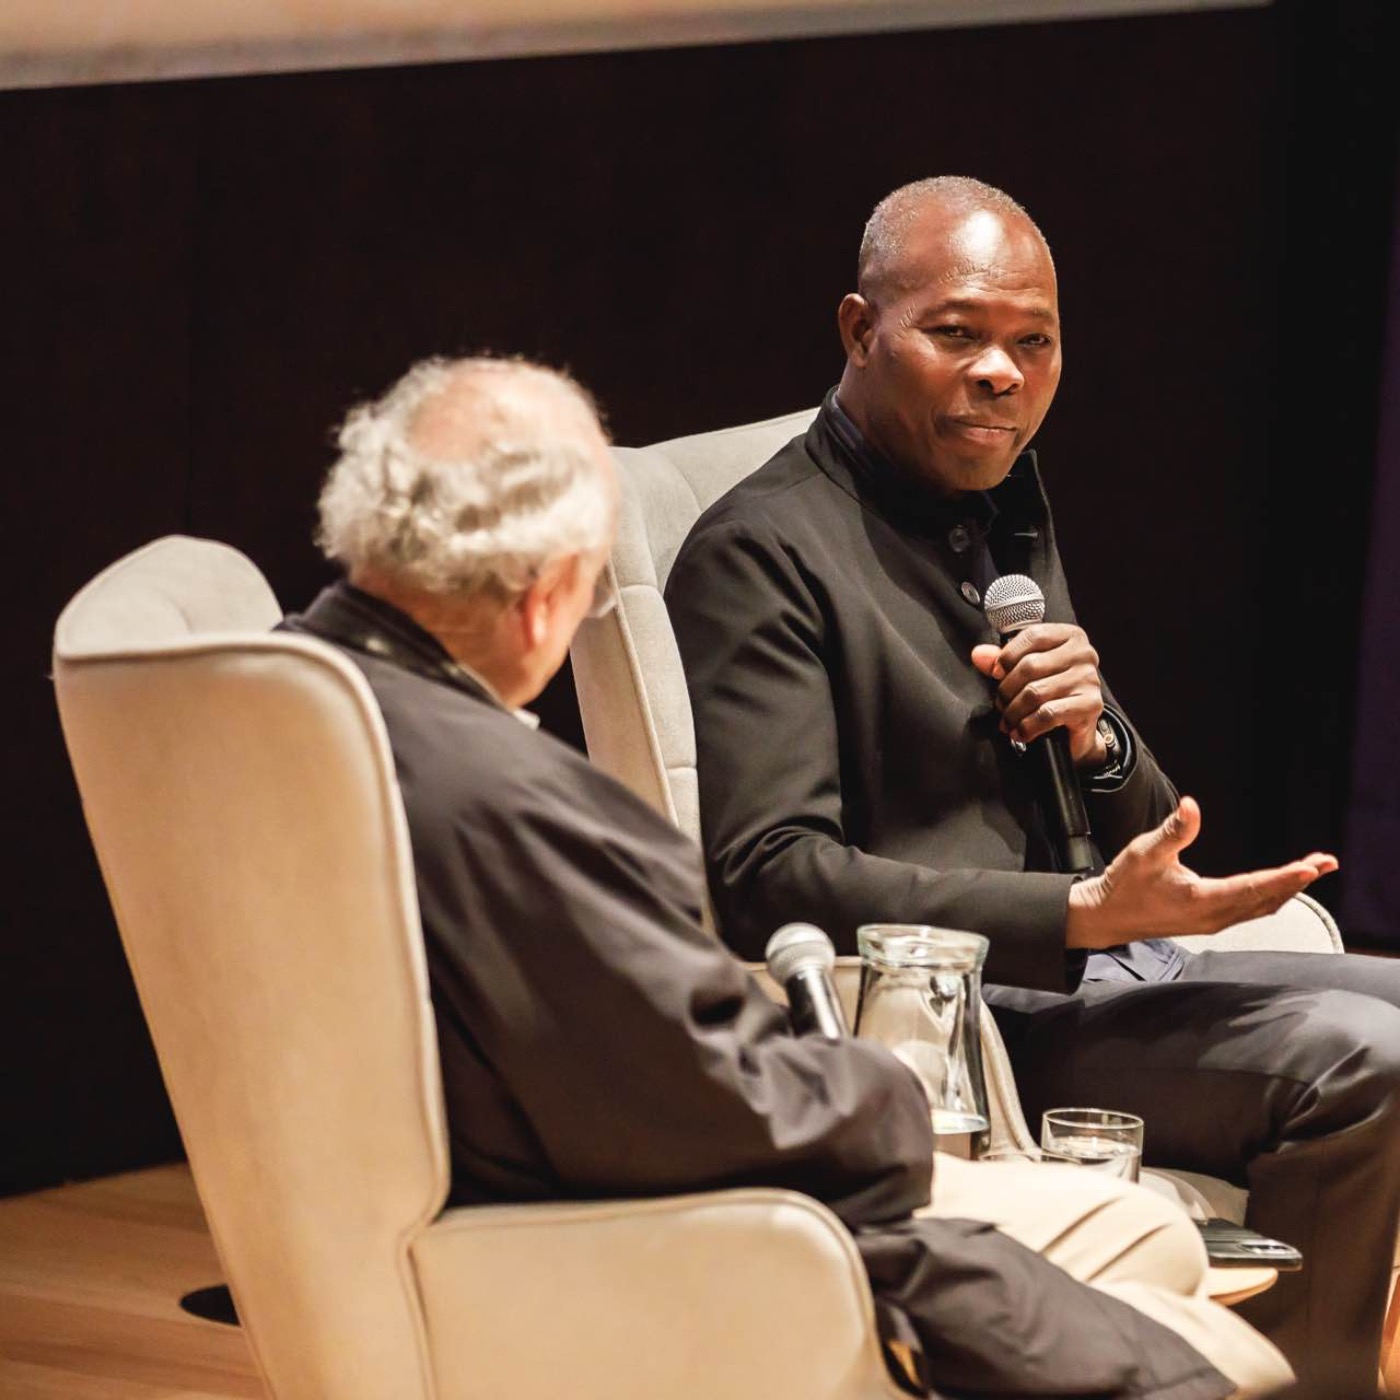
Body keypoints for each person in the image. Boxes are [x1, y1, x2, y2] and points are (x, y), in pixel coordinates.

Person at [282, 354, 1290, 1398]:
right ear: (546, 602)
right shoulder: (510, 799)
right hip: (692, 1238)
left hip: (517, 1200)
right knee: (1204, 1366)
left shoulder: (289, 703)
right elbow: (709, 1102)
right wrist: (886, 1093)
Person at [664, 175, 1400, 1390]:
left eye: (1031, 341)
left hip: (1103, 976)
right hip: (956, 1022)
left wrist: (1093, 737)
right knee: (1363, 1058)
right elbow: (765, 875)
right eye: (956, 333)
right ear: (859, 330)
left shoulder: (997, 503)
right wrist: (1071, 916)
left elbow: (1128, 812)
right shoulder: (761, 552)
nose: (1000, 373)